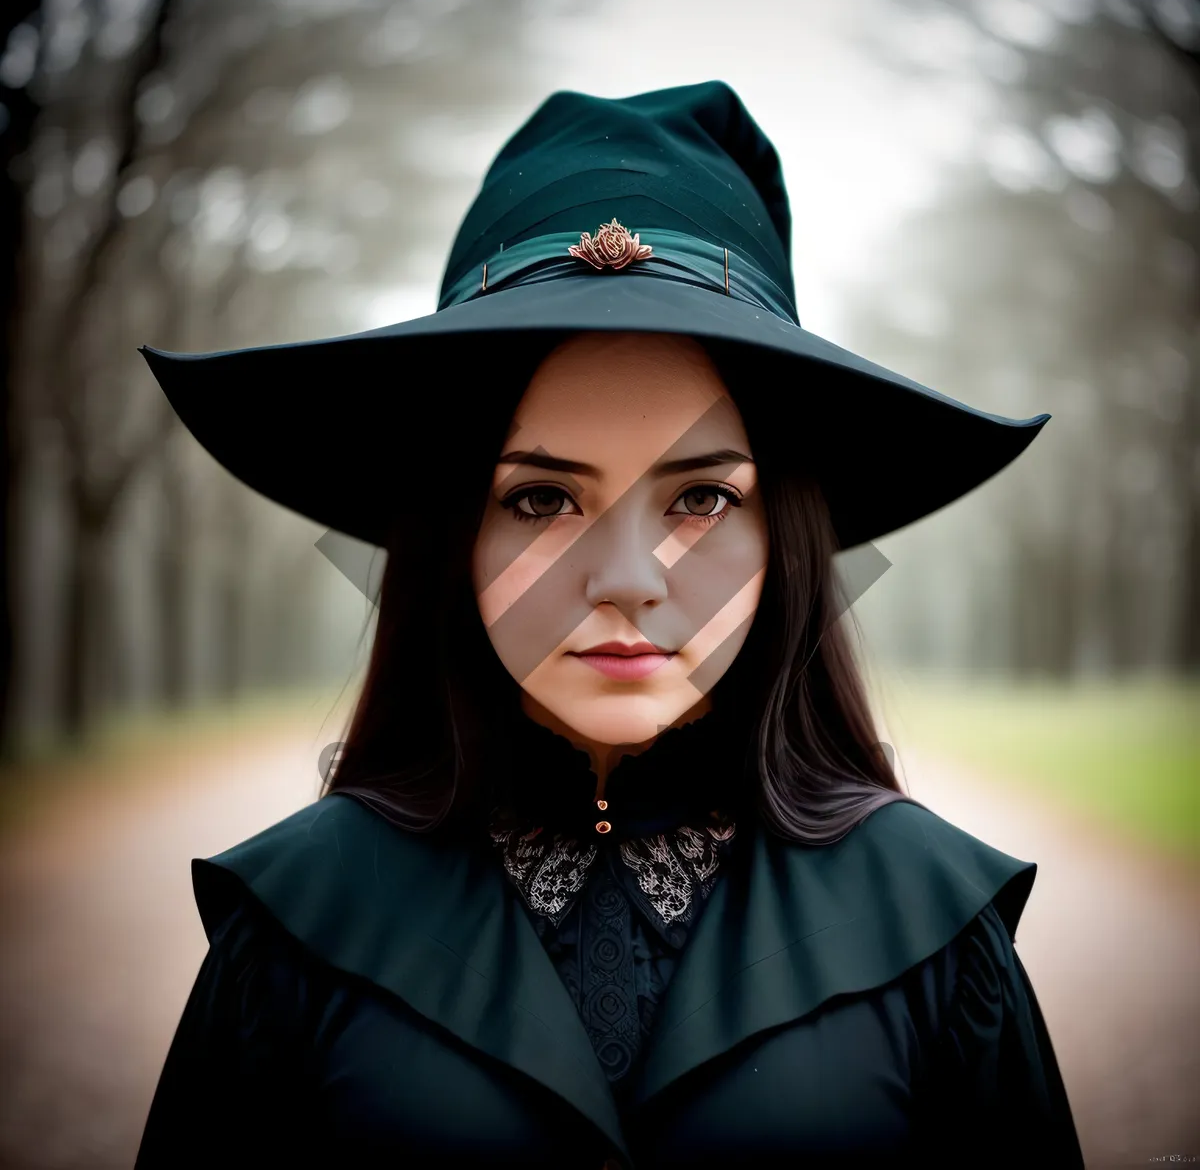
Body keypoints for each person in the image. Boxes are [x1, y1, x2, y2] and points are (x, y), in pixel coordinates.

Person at [133, 81, 1084, 1168]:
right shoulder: (301, 924)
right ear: (453, 538)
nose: (626, 580)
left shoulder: (929, 925)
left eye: (702, 498)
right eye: (542, 499)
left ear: (790, 541)